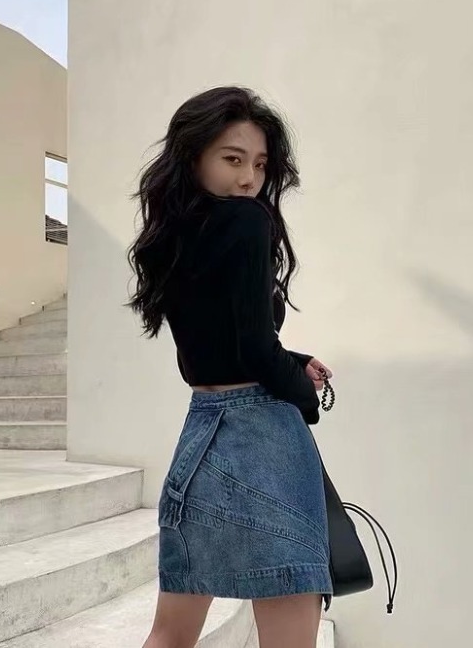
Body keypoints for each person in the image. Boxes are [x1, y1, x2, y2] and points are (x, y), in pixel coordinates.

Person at [126, 85, 334, 648]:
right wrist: (302, 396)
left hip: (203, 436)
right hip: (263, 437)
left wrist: (293, 361)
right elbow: (254, 347)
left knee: (170, 635)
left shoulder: (172, 235)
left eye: (260, 165)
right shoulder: (247, 221)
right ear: (194, 156)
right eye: (233, 159)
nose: (248, 179)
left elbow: (214, 347)